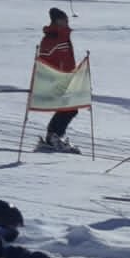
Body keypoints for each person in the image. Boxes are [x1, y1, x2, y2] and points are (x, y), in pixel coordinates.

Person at [36, 8, 80, 153]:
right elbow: (44, 58)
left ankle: (53, 136)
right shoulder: (52, 37)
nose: (67, 22)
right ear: (57, 21)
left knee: (71, 109)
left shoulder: (63, 36)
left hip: (67, 78)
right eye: (64, 19)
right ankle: (53, 137)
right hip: (56, 79)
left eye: (67, 19)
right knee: (69, 108)